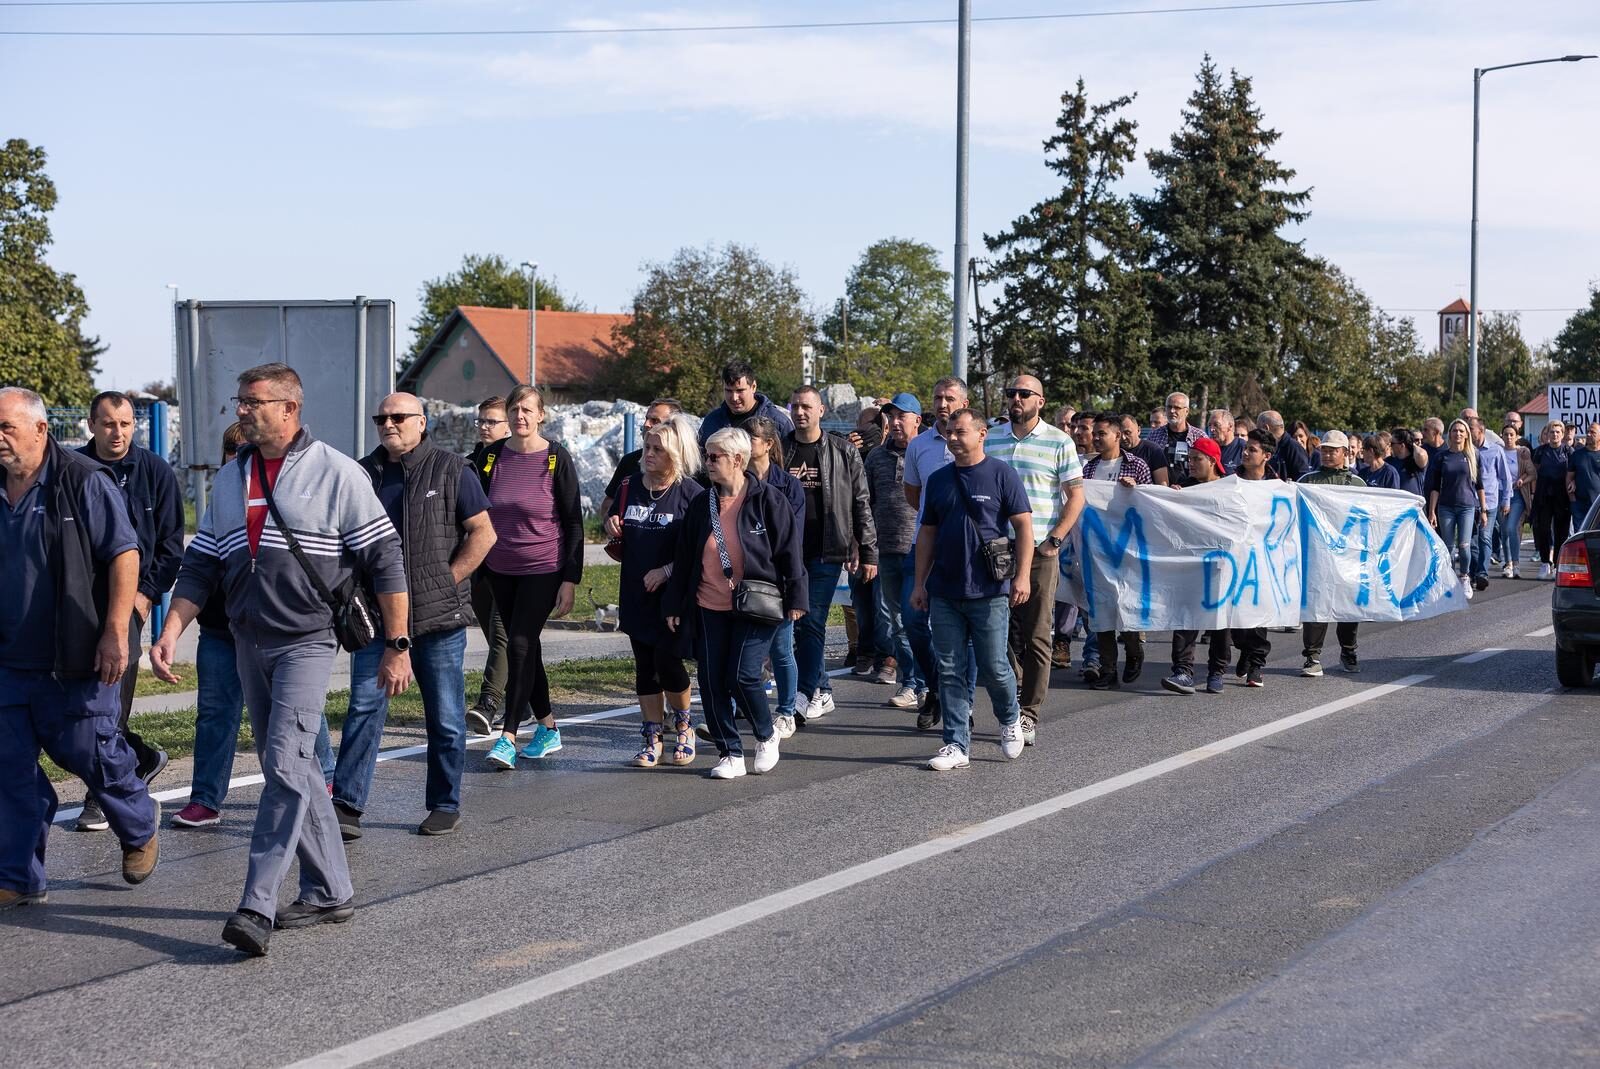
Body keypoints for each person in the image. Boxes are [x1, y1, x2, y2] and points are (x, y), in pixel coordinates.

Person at [152, 363, 408, 956]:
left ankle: (256, 904)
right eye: (239, 401)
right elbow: (202, 565)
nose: (241, 410)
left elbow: (386, 562)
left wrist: (397, 645)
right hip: (247, 640)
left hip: (308, 640)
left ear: (289, 408)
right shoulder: (228, 479)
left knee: (287, 763)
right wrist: (171, 629)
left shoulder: (337, 472)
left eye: (253, 402)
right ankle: (330, 890)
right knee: (288, 769)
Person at [0, 387, 159, 909]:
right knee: (10, 770)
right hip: (8, 662)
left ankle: (138, 825)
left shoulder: (82, 481)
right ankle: (20, 875)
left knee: (89, 751)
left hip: (72, 656)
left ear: (40, 429)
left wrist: (116, 630)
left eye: (7, 427)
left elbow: (125, 553)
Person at [332, 393, 497, 840]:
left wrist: (447, 580)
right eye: (380, 417)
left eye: (398, 417)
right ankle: (346, 804)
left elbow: (483, 532)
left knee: (444, 716)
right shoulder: (362, 474)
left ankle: (444, 803)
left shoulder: (451, 469)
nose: (388, 424)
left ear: (421, 422)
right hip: (376, 619)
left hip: (437, 620)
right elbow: (343, 541)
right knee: (364, 707)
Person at [665, 428, 806, 779]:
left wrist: (797, 597)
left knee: (742, 676)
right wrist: (674, 604)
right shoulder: (702, 503)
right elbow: (684, 559)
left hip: (757, 604)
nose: (708, 463)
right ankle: (730, 753)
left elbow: (790, 552)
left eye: (716, 457)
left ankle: (765, 733)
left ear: (738, 460)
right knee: (712, 681)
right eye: (707, 456)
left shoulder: (768, 500)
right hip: (708, 603)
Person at [73, 391, 184, 832]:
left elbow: (172, 544)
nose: (116, 433)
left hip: (129, 605)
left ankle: (100, 797)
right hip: (78, 605)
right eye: (107, 424)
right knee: (73, 704)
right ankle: (141, 757)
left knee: (111, 702)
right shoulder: (74, 470)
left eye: (124, 424)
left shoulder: (154, 472)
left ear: (133, 426)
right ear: (91, 426)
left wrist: (144, 597)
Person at [911, 410, 1032, 772]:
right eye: (949, 432)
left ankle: (1010, 719)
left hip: (989, 590)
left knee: (995, 666)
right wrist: (920, 583)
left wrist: (1022, 577)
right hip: (945, 591)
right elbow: (927, 534)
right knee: (949, 669)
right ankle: (955, 743)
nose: (951, 438)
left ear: (981, 434)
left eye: (960, 432)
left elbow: (1023, 527)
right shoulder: (938, 480)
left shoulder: (1001, 474)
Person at [476, 385, 584, 770]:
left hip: (544, 566)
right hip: (500, 568)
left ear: (541, 416)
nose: (519, 416)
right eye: (514, 409)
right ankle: (549, 728)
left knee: (519, 643)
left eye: (527, 410)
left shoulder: (556, 458)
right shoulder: (490, 458)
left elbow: (573, 521)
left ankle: (506, 736)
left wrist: (570, 578)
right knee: (528, 648)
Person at [987, 374, 1084, 745]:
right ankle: (1014, 690)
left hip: (1040, 549)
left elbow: (1076, 496)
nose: (1015, 398)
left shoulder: (1059, 441)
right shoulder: (991, 437)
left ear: (1040, 401)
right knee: (994, 630)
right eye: (1011, 392)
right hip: (995, 549)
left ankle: (1029, 712)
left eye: (1024, 393)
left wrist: (1055, 539)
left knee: (1037, 633)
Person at [607, 415, 704, 767]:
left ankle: (684, 726)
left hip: (671, 595)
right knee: (644, 666)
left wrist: (666, 571)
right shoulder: (630, 485)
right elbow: (616, 527)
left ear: (675, 454)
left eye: (657, 450)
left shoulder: (691, 494)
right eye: (646, 447)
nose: (647, 454)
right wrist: (611, 524)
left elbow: (700, 551)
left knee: (668, 661)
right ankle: (651, 735)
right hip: (634, 591)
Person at [783, 385, 878, 723]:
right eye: (794, 406)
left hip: (827, 550)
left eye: (806, 406)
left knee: (811, 622)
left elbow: (861, 501)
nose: (800, 412)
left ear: (821, 410)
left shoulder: (841, 451)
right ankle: (822, 689)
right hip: (788, 553)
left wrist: (867, 549)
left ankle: (804, 695)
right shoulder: (782, 450)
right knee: (796, 627)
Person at [170, 425, 249, 829]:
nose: (239, 456)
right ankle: (205, 799)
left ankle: (322, 776)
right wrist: (170, 632)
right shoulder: (221, 494)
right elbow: (198, 565)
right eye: (233, 449)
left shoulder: (278, 494)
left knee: (289, 712)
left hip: (271, 633)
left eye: (247, 448)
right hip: (219, 629)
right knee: (214, 714)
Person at [903, 377, 969, 731]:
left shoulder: (978, 438)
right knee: (912, 620)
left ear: (964, 401)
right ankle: (936, 686)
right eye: (938, 398)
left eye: (949, 398)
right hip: (924, 544)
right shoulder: (920, 445)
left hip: (966, 548)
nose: (942, 404)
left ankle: (962, 699)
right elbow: (914, 495)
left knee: (965, 628)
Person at [741, 416, 805, 739]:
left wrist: (795, 591)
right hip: (743, 579)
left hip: (777, 581)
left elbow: (792, 540)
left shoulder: (789, 485)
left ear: (767, 444)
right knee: (739, 649)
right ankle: (739, 707)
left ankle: (787, 710)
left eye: (751, 438)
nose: (745, 443)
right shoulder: (735, 482)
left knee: (781, 649)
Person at [1082, 414, 1153, 689]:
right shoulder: (1088, 470)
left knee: (1127, 606)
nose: (1097, 438)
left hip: (1128, 551)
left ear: (1117, 436)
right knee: (1100, 612)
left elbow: (1152, 503)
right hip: (1096, 550)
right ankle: (1108, 668)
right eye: (1094, 434)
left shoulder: (1137, 465)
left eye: (1102, 434)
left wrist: (1136, 491)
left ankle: (1134, 651)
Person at [865, 394, 926, 711]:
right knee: (894, 621)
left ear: (917, 419)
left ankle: (926, 681)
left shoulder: (929, 451)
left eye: (903, 416)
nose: (896, 422)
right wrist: (864, 546)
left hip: (921, 550)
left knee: (917, 620)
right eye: (892, 416)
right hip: (885, 550)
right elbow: (865, 503)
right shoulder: (876, 457)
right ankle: (914, 682)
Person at [1161, 436, 1232, 694]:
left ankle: (1217, 671)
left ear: (1212, 462)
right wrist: (1174, 499)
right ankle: (1183, 671)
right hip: (1190, 565)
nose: (1190, 464)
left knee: (1219, 621)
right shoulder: (1186, 487)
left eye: (1196, 459)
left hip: (1221, 565)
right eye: (1189, 459)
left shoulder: (1228, 488)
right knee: (1185, 617)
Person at [1297, 430, 1367, 675]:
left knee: (1348, 606)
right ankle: (1312, 657)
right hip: (1316, 555)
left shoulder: (1358, 484)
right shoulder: (1307, 481)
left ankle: (1348, 651)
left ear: (1346, 453)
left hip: (1346, 556)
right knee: (1316, 604)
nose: (1326, 454)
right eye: (1324, 449)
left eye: (1333, 450)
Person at [466, 395, 511, 735]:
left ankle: (488, 703)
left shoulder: (520, 462)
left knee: (502, 634)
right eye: (480, 420)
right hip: (479, 563)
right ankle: (524, 699)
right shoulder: (471, 463)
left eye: (491, 421)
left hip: (514, 563)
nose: (483, 426)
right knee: (496, 634)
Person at [1229, 430, 1275, 686]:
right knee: (1237, 618)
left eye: (1253, 450)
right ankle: (1245, 649)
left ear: (1266, 456)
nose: (1245, 453)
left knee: (1258, 612)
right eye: (1245, 448)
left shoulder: (1278, 484)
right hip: (1237, 558)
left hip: (1265, 560)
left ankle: (1257, 663)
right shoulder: (1231, 480)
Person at [1425, 418, 1485, 597]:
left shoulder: (1473, 454)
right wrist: (1431, 512)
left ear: (1466, 434)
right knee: (1448, 547)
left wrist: (1484, 510)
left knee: (1464, 545)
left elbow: (1479, 484)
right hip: (1446, 506)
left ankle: (1465, 576)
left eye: (1461, 431)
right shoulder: (1441, 457)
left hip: (1467, 505)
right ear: (1449, 434)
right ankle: (1449, 580)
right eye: (1454, 430)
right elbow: (1435, 487)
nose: (1458, 434)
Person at [599, 398, 683, 521]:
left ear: (673, 426)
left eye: (654, 420)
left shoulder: (690, 466)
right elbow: (608, 503)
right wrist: (612, 520)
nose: (646, 424)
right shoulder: (630, 461)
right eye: (646, 418)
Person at [697, 360, 794, 445]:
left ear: (753, 387)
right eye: (728, 391)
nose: (734, 398)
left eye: (740, 391)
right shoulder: (711, 422)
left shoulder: (778, 423)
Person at [1469, 417, 1512, 591]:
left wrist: (1506, 499)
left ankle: (1482, 574)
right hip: (1469, 501)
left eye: (1471, 428)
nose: (1468, 431)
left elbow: (1505, 477)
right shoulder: (1467, 451)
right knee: (1471, 541)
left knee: (1484, 537)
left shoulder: (1495, 450)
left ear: (1481, 430)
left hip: (1490, 501)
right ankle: (1472, 573)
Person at [1531, 421, 1572, 580]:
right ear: (1547, 434)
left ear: (1562, 434)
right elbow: (1534, 472)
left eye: (1557, 432)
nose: (1554, 435)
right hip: (1543, 496)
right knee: (1543, 529)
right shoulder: (1540, 452)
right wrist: (1533, 493)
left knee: (1561, 532)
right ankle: (1545, 562)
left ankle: (1557, 564)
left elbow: (1574, 472)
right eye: (1551, 432)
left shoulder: (1569, 451)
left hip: (1562, 497)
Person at [1147, 392, 1206, 486]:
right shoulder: (1154, 436)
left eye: (1177, 408)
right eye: (1169, 407)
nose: (1172, 411)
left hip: (1191, 493)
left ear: (1187, 411)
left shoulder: (1199, 436)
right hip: (1162, 494)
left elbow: (1206, 469)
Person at [1501, 422, 1534, 578]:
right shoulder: (1498, 451)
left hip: (1517, 496)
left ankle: (1516, 564)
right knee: (1503, 530)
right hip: (1500, 496)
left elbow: (1532, 473)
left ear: (1516, 437)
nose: (1508, 437)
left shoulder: (1522, 453)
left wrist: (1522, 480)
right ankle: (1507, 564)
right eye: (1506, 434)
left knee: (1511, 527)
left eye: (1511, 435)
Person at [1257, 410, 1311, 482]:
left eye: (1258, 429)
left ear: (1266, 428)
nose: (1257, 434)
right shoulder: (1269, 447)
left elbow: (1303, 479)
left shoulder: (1294, 448)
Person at [1120, 413, 1170, 486]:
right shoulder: (1115, 451)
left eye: (1127, 433)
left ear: (1139, 430)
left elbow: (1163, 486)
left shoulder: (1153, 450)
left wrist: (1138, 486)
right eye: (1119, 434)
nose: (1123, 438)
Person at [1568, 422, 1600, 531]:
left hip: (1598, 506)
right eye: (1588, 432)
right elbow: (1569, 477)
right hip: (1579, 504)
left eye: (1593, 432)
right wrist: (1572, 499)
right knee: (1580, 536)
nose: (1589, 434)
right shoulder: (1577, 455)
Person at [1386, 427, 1430, 497]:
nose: (1390, 446)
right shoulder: (1388, 461)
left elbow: (1421, 454)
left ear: (1402, 446)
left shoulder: (1415, 460)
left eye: (1392, 443)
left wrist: (1411, 443)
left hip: (1413, 505)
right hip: (1394, 504)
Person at [1207, 409, 1242, 475]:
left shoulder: (1243, 448)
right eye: (1209, 425)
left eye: (1216, 425)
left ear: (1230, 426)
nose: (1211, 429)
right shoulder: (1207, 449)